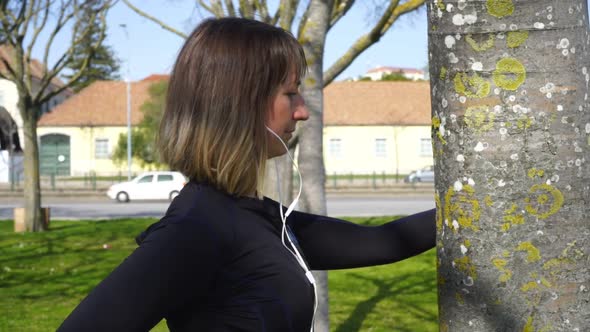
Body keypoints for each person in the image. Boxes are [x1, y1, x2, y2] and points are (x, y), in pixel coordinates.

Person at [58, 17, 436, 332]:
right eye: (291, 94)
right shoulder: (197, 228)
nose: (302, 111)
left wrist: (473, 207)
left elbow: (384, 242)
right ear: (241, 104)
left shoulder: (254, 215)